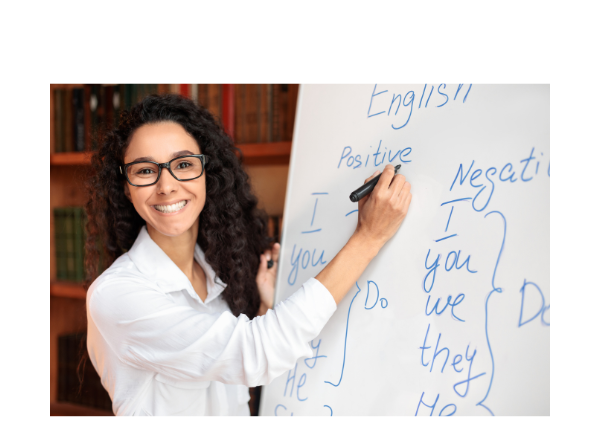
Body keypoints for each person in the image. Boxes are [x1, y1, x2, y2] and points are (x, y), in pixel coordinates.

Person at [85, 93, 412, 416]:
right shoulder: (116, 295)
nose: (166, 185)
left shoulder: (213, 272)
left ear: (206, 174)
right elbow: (256, 354)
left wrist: (263, 309)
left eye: (183, 164)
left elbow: (226, 372)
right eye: (144, 171)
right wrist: (369, 237)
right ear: (126, 186)